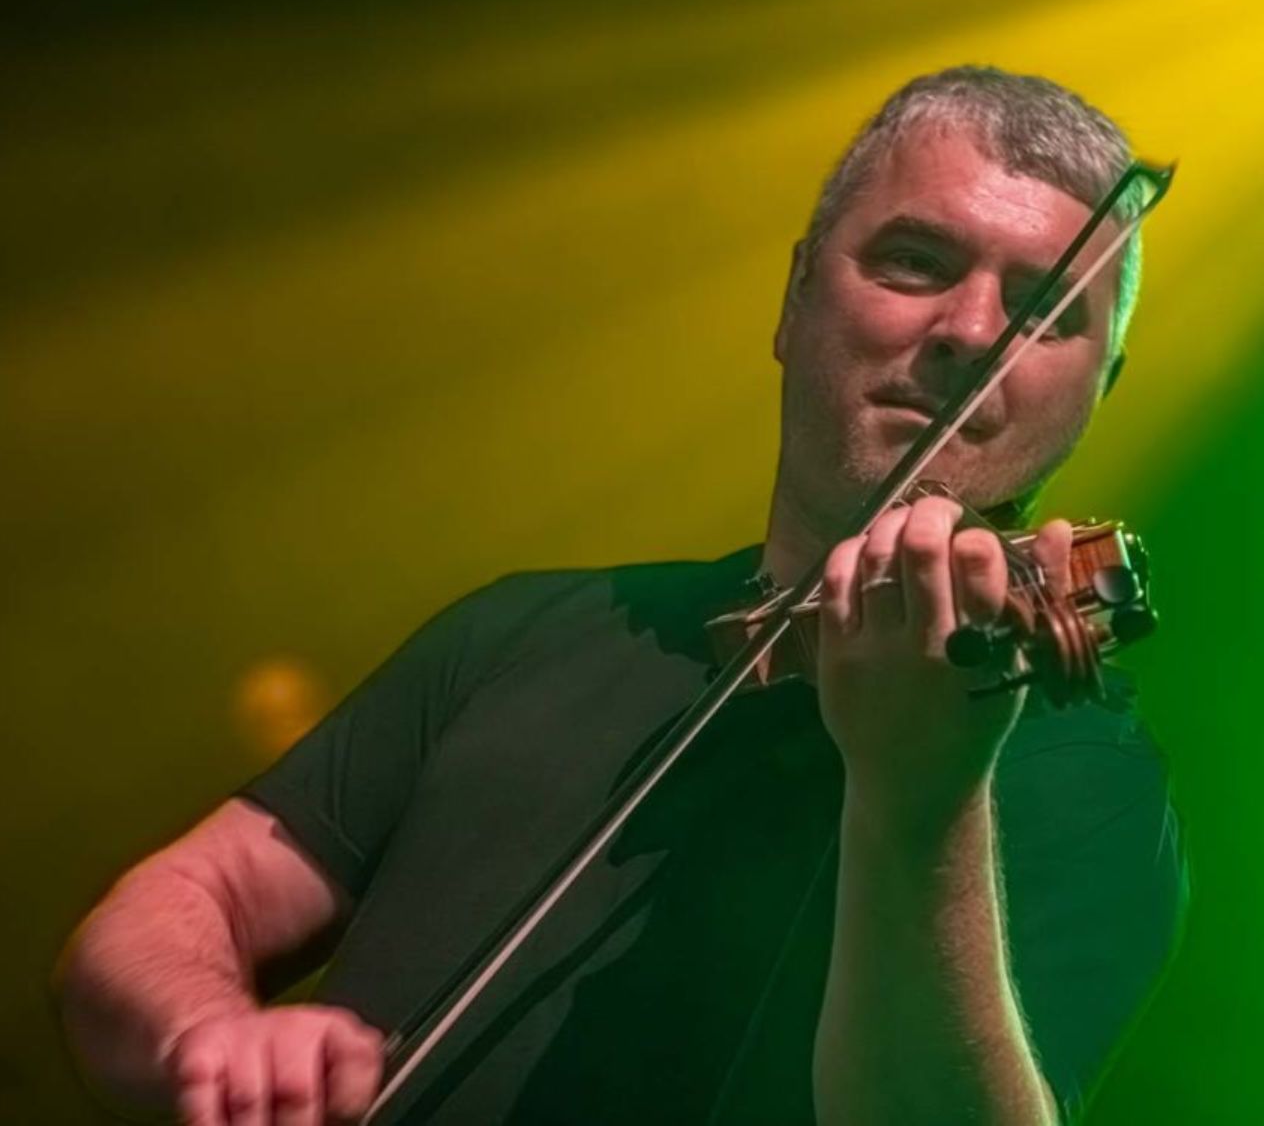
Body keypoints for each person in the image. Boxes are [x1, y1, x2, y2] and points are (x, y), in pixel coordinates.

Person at [54, 66, 1188, 1125]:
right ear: (794, 298)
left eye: (1044, 310)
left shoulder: (1086, 776)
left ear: (1099, 389)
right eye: (915, 262)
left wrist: (919, 795)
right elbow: (186, 895)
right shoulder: (524, 629)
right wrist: (208, 1035)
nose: (973, 333)